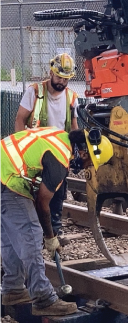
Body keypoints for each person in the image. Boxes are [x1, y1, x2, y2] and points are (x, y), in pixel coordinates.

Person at [2, 127, 111, 316]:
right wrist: (50, 237)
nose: (87, 168)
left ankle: (13, 289)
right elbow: (42, 204)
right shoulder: (59, 159)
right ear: (84, 152)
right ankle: (43, 299)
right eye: (90, 163)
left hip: (4, 172)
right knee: (31, 235)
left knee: (10, 236)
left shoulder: (59, 137)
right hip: (8, 180)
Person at [15, 54, 82, 238]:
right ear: (51, 72)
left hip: (59, 154)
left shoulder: (71, 98)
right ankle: (34, 231)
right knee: (32, 193)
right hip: (35, 152)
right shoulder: (35, 91)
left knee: (58, 193)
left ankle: (54, 232)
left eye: (66, 79)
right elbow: (20, 119)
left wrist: (76, 152)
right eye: (59, 77)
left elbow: (74, 127)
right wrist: (20, 149)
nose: (62, 82)